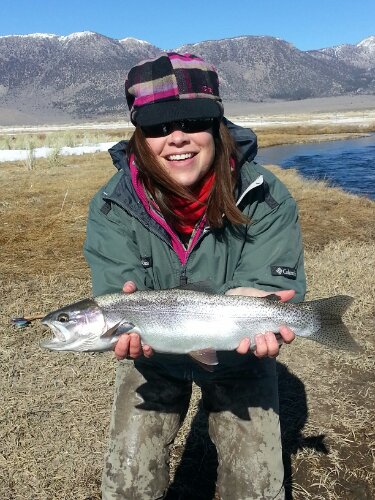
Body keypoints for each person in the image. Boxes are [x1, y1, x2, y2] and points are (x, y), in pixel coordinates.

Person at [84, 52, 306, 500]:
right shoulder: (111, 205)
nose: (176, 138)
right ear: (139, 136)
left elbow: (271, 282)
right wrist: (122, 318)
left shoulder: (264, 196)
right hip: (153, 350)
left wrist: (261, 299)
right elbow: (117, 291)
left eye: (192, 120)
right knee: (127, 487)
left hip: (237, 350)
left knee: (257, 490)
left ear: (217, 124)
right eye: (157, 127)